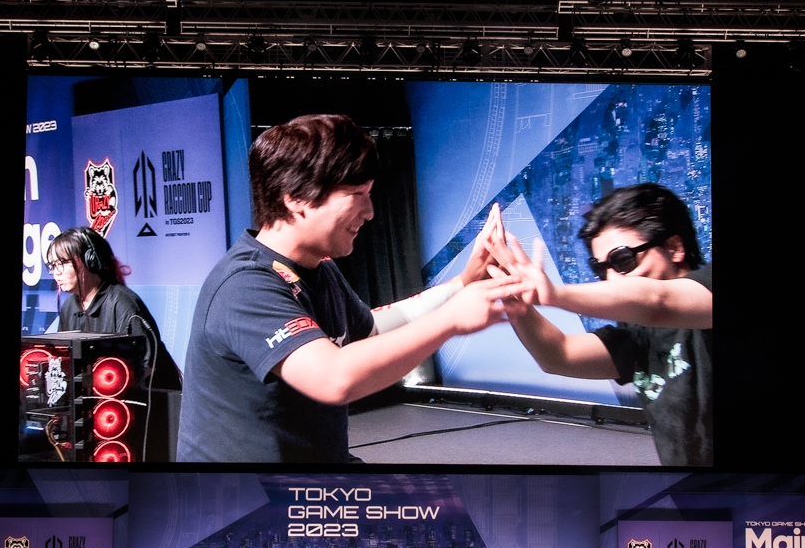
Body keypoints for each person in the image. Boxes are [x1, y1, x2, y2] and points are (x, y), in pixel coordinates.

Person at [177, 114, 521, 463]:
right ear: (296, 198)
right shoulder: (245, 283)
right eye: (357, 195)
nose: (369, 212)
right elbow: (333, 378)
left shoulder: (319, 267)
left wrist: (462, 284)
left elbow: (372, 331)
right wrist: (450, 320)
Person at [487, 183, 712, 466]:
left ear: (673, 247)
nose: (612, 278)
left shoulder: (708, 288)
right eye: (600, 268)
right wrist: (513, 299)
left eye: (623, 260)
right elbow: (559, 355)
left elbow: (658, 301)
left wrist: (555, 294)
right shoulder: (638, 332)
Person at [47, 226, 182, 390]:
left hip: (144, 399)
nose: (56, 272)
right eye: (53, 265)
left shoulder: (123, 304)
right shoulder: (69, 307)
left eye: (63, 262)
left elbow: (146, 367)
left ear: (91, 261)